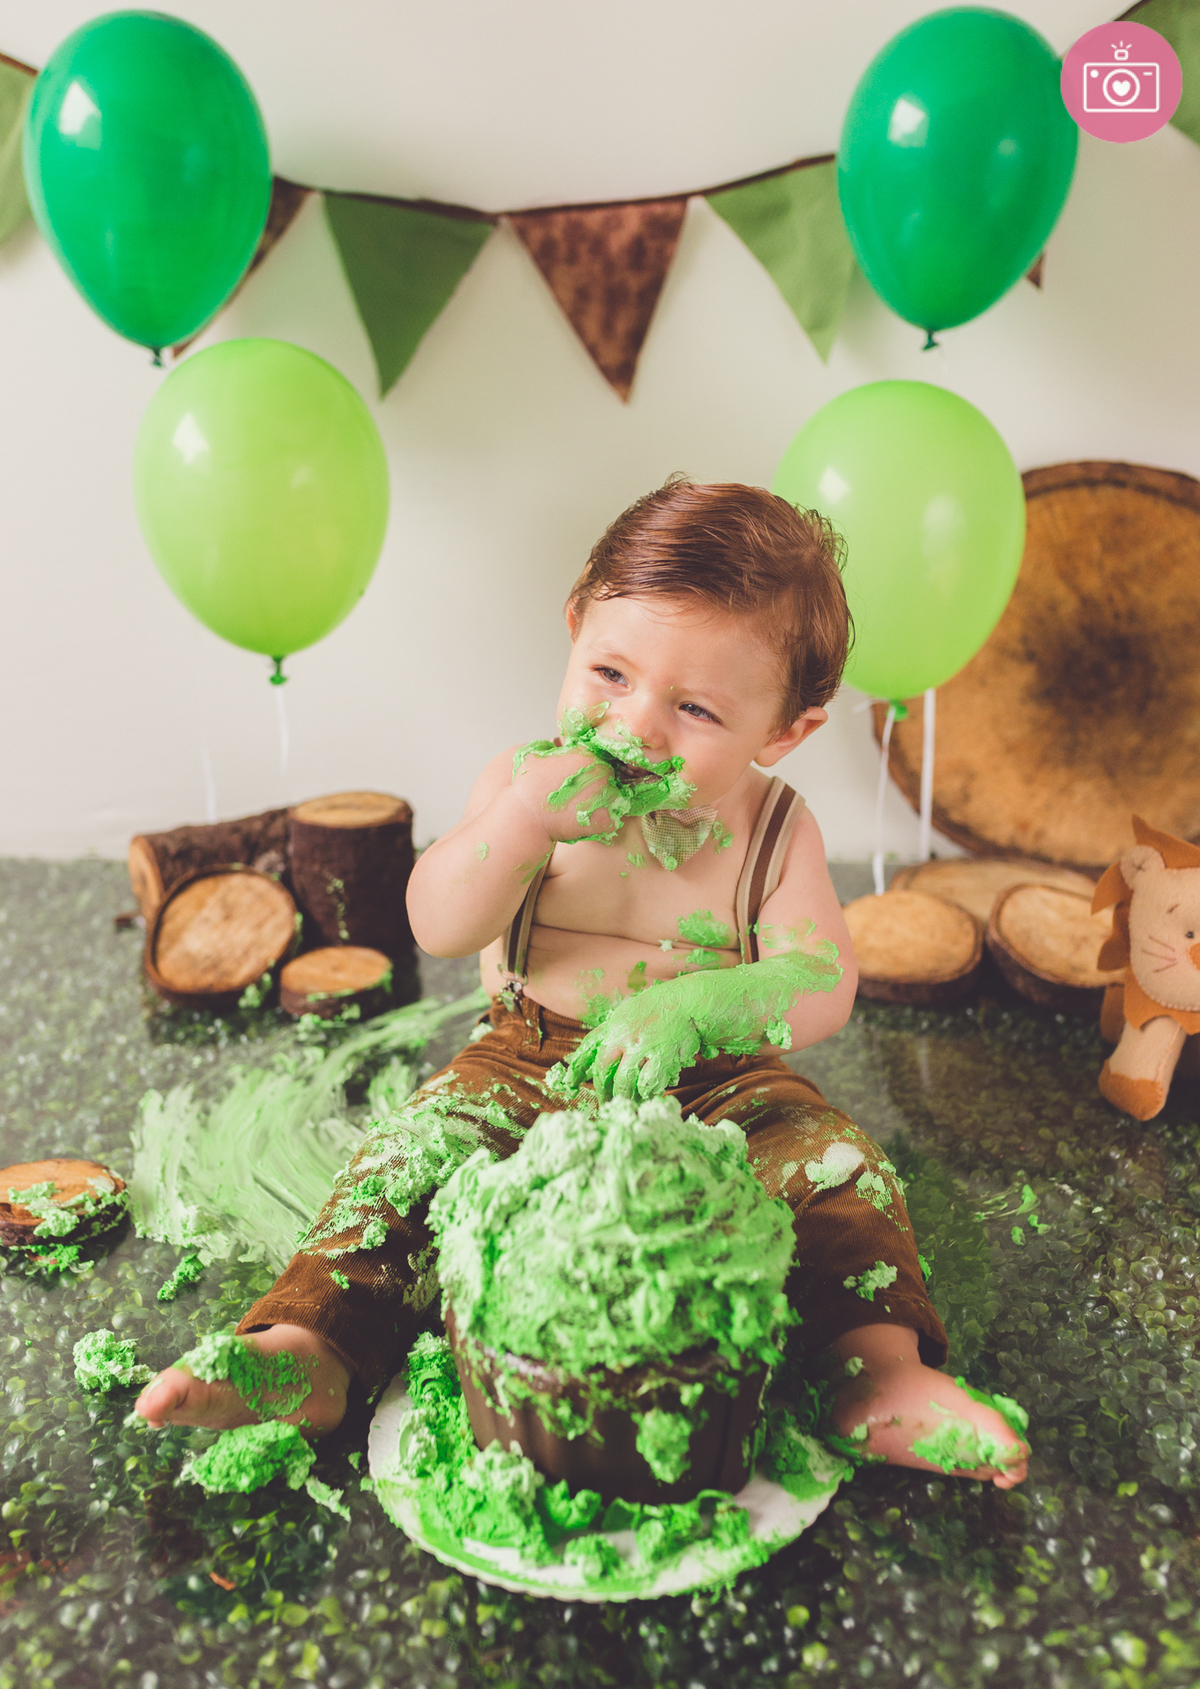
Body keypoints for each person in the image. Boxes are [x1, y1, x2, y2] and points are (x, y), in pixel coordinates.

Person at [137, 479, 1028, 1488]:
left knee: (838, 1173)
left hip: (723, 1082)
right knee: (409, 1165)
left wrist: (700, 1006)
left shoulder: (774, 828)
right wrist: (521, 824)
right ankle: (315, 1350)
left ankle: (873, 1372)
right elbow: (439, 921)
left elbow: (821, 982)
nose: (636, 726)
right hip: (523, 1063)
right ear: (573, 628)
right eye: (609, 672)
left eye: (695, 708)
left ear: (784, 730)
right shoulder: (521, 783)